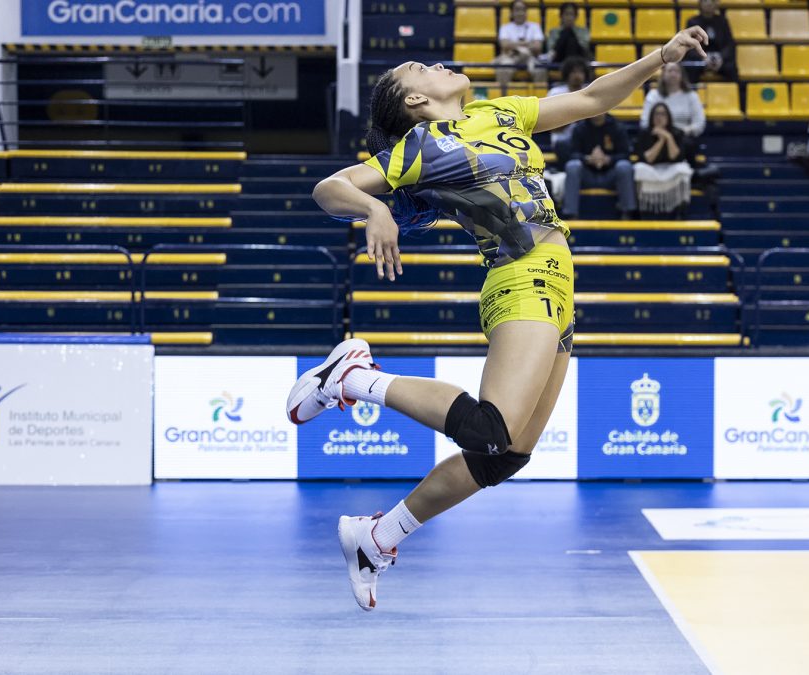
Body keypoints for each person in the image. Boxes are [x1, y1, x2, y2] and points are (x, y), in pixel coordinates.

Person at [295, 28, 712, 611]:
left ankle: (378, 536)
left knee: (505, 456)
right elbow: (329, 188)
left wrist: (659, 58)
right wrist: (373, 209)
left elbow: (593, 98)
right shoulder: (419, 148)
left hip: (559, 285)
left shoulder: (499, 112)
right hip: (520, 276)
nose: (438, 63)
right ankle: (352, 378)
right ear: (415, 99)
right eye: (421, 67)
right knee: (490, 428)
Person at [563, 112, 637, 220]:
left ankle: (628, 213)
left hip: (610, 175)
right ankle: (571, 215)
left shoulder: (617, 127)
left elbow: (626, 155)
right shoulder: (580, 128)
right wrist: (588, 159)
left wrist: (608, 159)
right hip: (587, 175)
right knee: (572, 166)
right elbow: (572, 154)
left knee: (624, 166)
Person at [634, 102, 694, 216]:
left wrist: (668, 137)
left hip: (670, 168)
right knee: (639, 169)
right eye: (656, 114)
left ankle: (679, 210)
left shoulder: (677, 133)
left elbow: (675, 157)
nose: (659, 117)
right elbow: (648, 159)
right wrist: (661, 141)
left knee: (682, 169)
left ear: (668, 117)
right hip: (651, 168)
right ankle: (645, 210)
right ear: (651, 116)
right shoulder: (644, 133)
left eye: (663, 114)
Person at [640, 62, 706, 138]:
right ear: (663, 74)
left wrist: (680, 133)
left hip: (683, 138)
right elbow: (645, 122)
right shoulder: (653, 95)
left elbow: (699, 124)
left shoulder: (692, 96)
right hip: (656, 137)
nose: (673, 74)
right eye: (670, 70)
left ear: (682, 75)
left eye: (676, 71)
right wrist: (662, 133)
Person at [494, 0, 547, 95]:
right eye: (517, 10)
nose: (520, 13)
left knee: (541, 70)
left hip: (530, 57)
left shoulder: (534, 26)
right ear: (512, 12)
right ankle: (503, 98)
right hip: (511, 57)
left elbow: (538, 47)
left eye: (523, 10)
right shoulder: (505, 27)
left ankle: (539, 100)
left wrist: (514, 44)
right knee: (503, 68)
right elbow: (505, 45)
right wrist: (527, 43)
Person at [545, 57, 591, 160]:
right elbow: (552, 126)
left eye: (580, 72)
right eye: (573, 72)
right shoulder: (555, 93)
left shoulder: (590, 91)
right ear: (567, 74)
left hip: (588, 139)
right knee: (562, 145)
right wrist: (575, 116)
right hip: (564, 139)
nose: (577, 75)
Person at [685, 0, 738, 82]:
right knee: (690, 68)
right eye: (705, 1)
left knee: (731, 69)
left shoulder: (723, 21)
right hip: (700, 59)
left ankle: (734, 90)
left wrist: (721, 57)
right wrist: (703, 58)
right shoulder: (692, 22)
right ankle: (690, 90)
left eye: (712, 1)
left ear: (716, 4)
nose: (709, 3)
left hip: (719, 58)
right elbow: (690, 46)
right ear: (700, 3)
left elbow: (729, 44)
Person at [545, 2, 591, 67]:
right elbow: (551, 49)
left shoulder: (583, 31)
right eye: (566, 14)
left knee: (571, 40)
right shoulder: (554, 31)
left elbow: (584, 48)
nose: (569, 18)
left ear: (576, 16)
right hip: (559, 58)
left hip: (578, 58)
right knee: (566, 32)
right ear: (561, 16)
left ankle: (570, 67)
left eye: (572, 14)